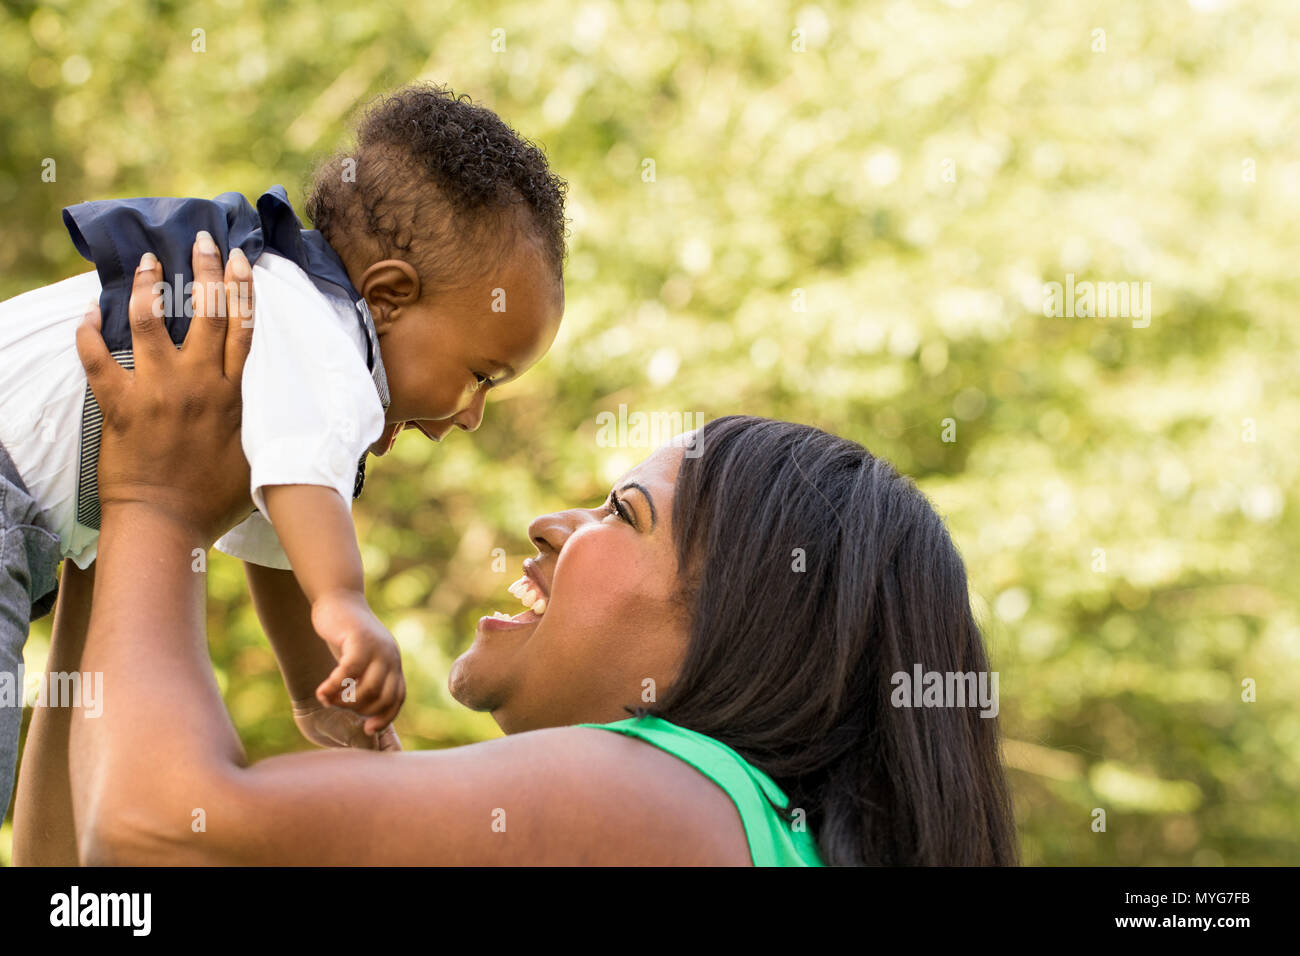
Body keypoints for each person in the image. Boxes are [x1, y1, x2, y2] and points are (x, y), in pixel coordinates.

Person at [13, 249, 1018, 866]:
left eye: (621, 512)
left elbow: (149, 830)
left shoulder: (672, 794)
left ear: (741, 622)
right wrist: (110, 512)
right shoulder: (719, 831)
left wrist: (157, 497)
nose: (549, 521)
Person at [0, 83, 567, 820]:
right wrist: (346, 604)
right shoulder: (321, 334)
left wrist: (315, 692)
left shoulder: (286, 329)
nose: (472, 416)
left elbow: (275, 535)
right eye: (480, 375)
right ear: (390, 296)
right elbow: (305, 489)